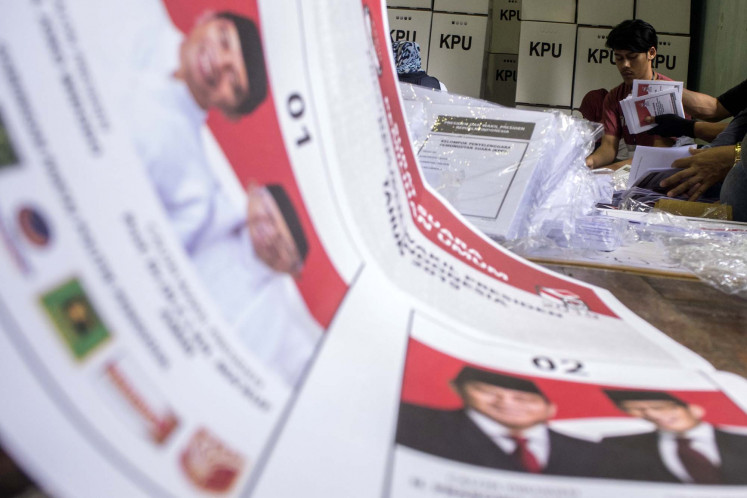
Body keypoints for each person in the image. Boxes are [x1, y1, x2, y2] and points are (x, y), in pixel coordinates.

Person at [87, 1, 268, 251]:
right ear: (206, 17)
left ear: (231, 113)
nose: (219, 62)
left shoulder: (194, 193)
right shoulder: (133, 10)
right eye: (223, 39)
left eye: (233, 80)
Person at [191, 183, 321, 387]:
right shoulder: (214, 217)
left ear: (292, 269)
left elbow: (306, 367)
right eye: (268, 216)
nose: (269, 234)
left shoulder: (279, 315)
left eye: (282, 243)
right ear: (255, 196)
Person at [396, 366, 603, 477]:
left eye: (525, 398)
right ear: (457, 388)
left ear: (551, 408)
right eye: (487, 391)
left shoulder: (594, 452)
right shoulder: (413, 423)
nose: (506, 403)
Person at [601, 390, 747, 484]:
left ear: (694, 409)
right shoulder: (620, 445)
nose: (652, 415)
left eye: (659, 407)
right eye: (637, 410)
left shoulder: (742, 440)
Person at [585, 20, 676, 170]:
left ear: (651, 53)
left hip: (664, 171)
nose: (625, 65)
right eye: (619, 58)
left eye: (632, 57)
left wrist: (610, 170)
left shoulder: (668, 93)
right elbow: (608, 147)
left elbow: (659, 153)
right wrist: (588, 163)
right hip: (631, 168)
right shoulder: (614, 97)